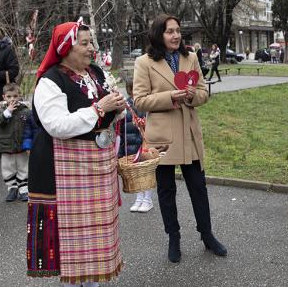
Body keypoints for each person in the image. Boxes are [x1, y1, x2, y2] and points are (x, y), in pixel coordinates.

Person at [27, 19, 125, 286]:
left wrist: (118, 107)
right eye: (85, 43)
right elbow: (56, 125)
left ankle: (92, 282)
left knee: (97, 233)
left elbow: (110, 115)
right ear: (66, 48)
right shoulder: (50, 81)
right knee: (75, 236)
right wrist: (99, 109)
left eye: (91, 42)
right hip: (66, 166)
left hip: (98, 163)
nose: (91, 48)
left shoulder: (96, 73)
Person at [133, 14, 227, 263]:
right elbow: (140, 100)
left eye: (177, 30)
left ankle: (207, 236)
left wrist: (191, 96)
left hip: (189, 134)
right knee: (166, 190)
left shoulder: (191, 57)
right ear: (158, 34)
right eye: (169, 31)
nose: (175, 35)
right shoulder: (144, 62)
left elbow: (203, 91)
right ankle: (173, 238)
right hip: (163, 138)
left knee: (199, 187)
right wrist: (171, 96)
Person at [0, 83, 35, 202]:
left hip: (22, 145)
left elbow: (31, 127)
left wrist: (30, 143)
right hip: (6, 146)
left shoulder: (25, 111)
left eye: (15, 96)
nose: (12, 99)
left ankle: (23, 189)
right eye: (9, 96)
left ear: (20, 96)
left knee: (23, 167)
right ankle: (12, 188)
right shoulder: (1, 110)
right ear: (4, 97)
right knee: (8, 168)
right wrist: (7, 113)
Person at [118, 77, 153, 213]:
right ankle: (139, 198)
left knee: (146, 172)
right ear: (129, 90)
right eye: (133, 89)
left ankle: (148, 199)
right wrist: (121, 150)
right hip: (130, 144)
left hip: (144, 144)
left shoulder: (146, 104)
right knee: (136, 174)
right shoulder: (125, 106)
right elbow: (120, 128)